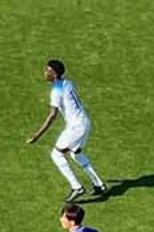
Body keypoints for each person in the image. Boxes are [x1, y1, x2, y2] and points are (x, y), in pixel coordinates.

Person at [27, 59, 107, 203]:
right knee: (76, 154)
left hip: (76, 127)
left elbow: (52, 115)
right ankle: (99, 184)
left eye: (48, 70)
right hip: (84, 122)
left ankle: (76, 187)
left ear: (55, 74)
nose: (45, 73)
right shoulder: (68, 83)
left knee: (56, 154)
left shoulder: (55, 91)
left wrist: (37, 135)